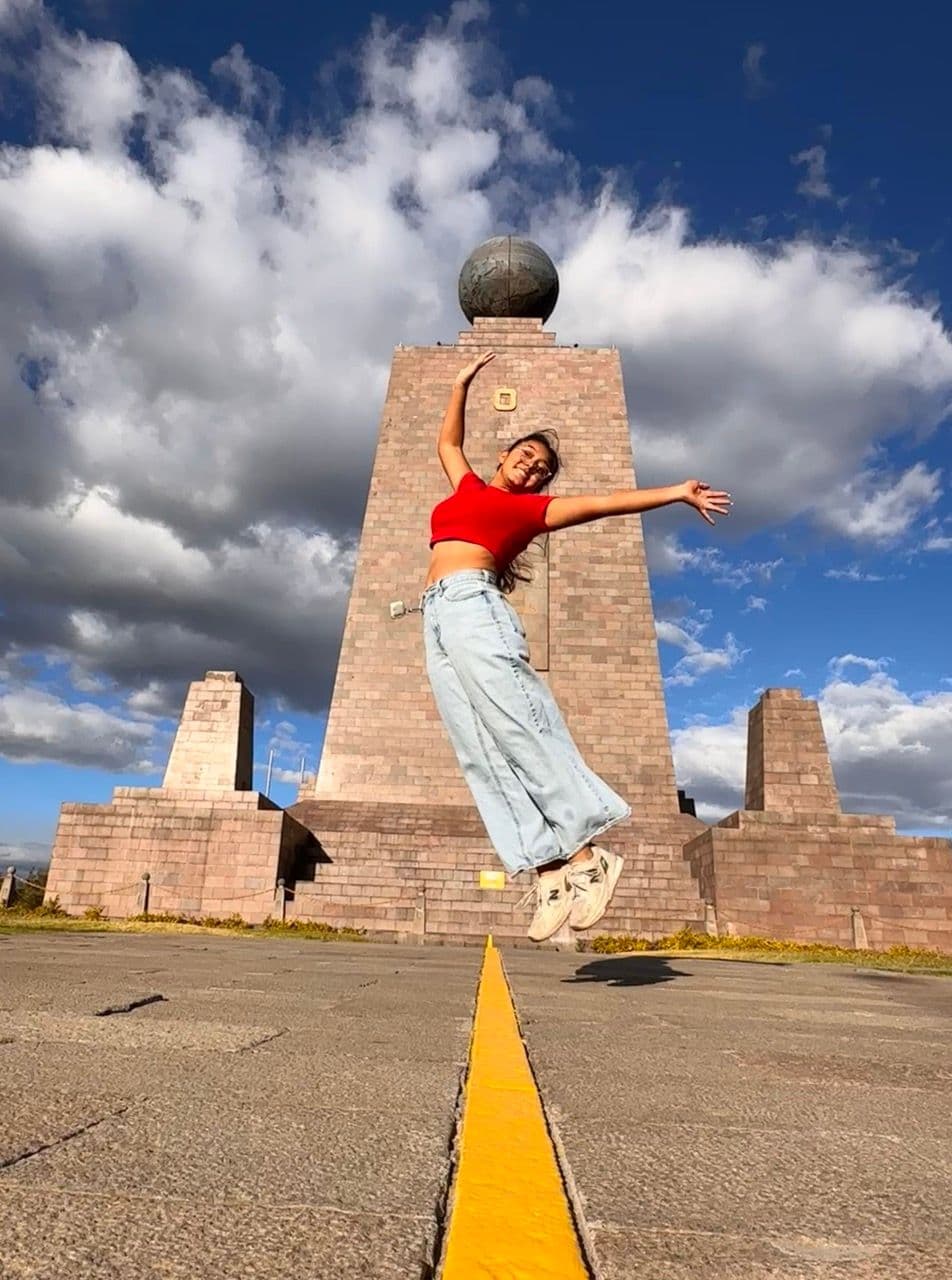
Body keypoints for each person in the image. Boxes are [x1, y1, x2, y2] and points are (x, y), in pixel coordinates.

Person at [421, 351, 731, 942]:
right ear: (504, 456)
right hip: (434, 616)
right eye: (526, 456)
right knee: (477, 745)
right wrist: (460, 383)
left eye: (541, 469)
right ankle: (549, 870)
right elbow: (447, 443)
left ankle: (588, 854)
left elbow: (605, 504)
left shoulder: (532, 510)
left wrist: (677, 492)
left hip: (472, 607)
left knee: (517, 725)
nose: (532, 468)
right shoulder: (464, 485)